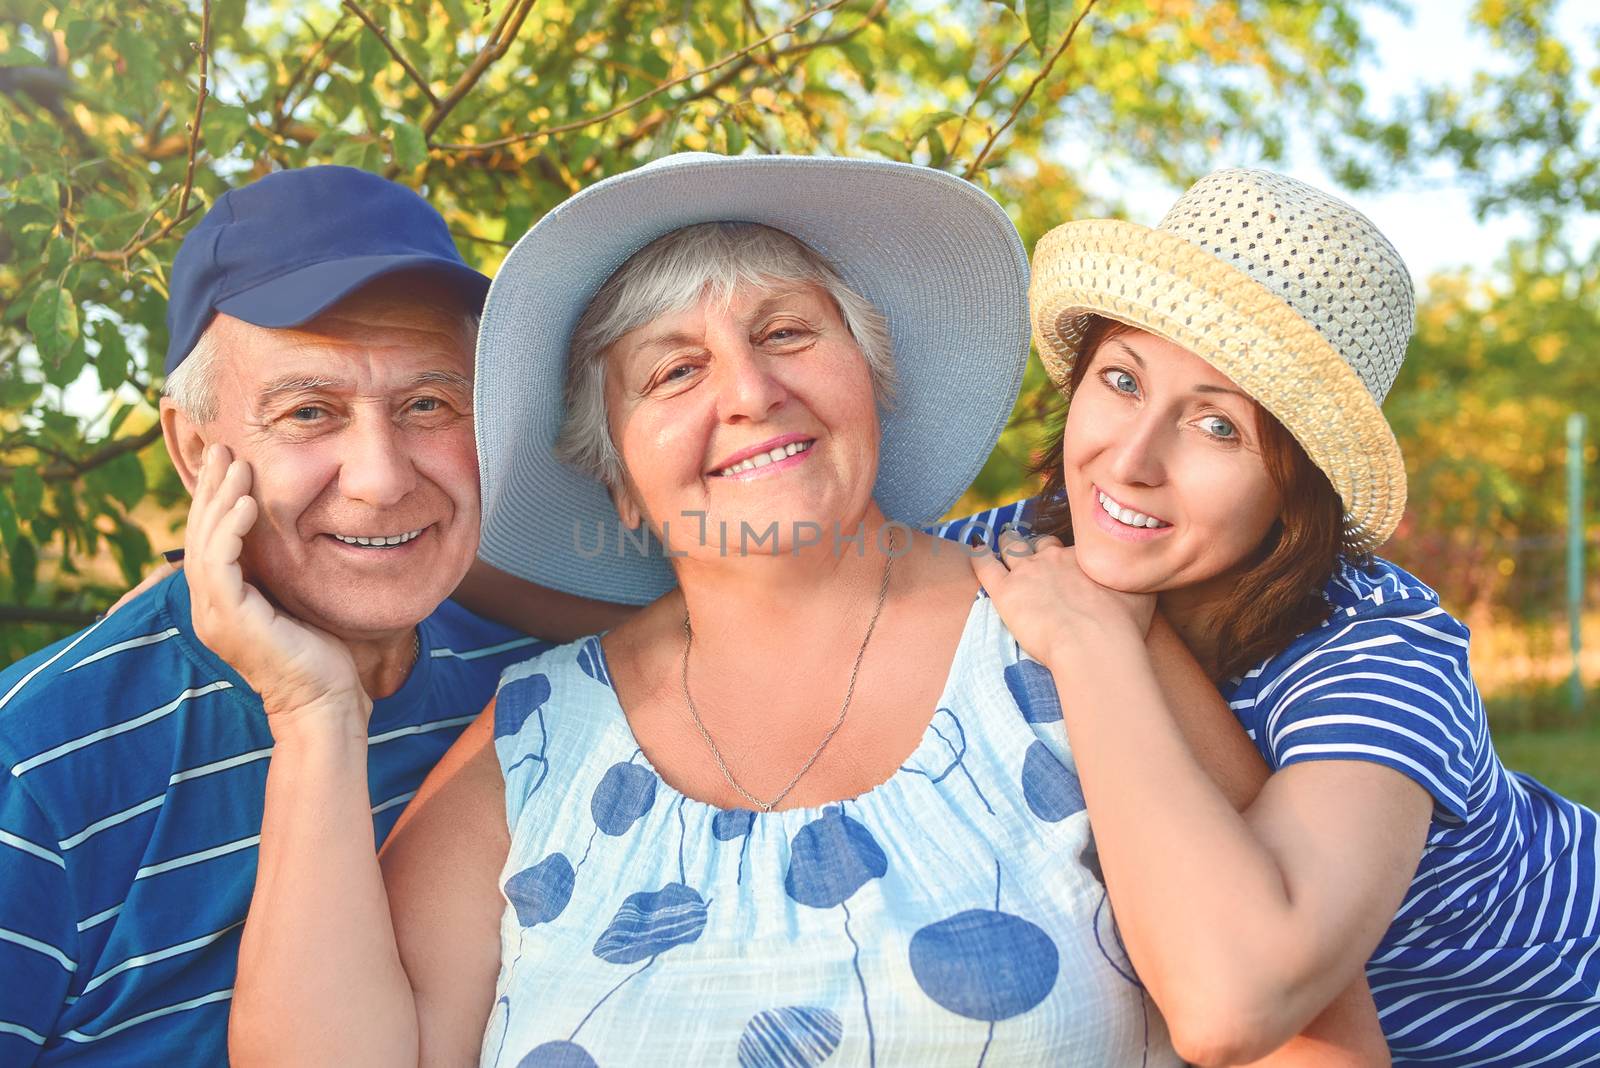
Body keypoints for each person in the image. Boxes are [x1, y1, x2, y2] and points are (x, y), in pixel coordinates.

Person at [208, 153, 1385, 1067]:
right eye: (673, 371)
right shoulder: (536, 737)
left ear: (868, 379)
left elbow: (1298, 1030)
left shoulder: (1067, 634)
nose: (751, 392)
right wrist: (313, 714)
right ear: (612, 470)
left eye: (785, 334)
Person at [976, 168, 1600, 1065]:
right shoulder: (1029, 544)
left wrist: (1098, 640)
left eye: (1220, 426)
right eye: (1122, 379)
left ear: (1298, 487)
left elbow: (1234, 1005)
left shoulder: (1380, 656)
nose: (1131, 460)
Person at [0, 166, 558, 1065]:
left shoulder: (540, 692)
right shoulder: (38, 767)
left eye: (427, 403)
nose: (381, 478)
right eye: (309, 412)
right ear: (194, 449)